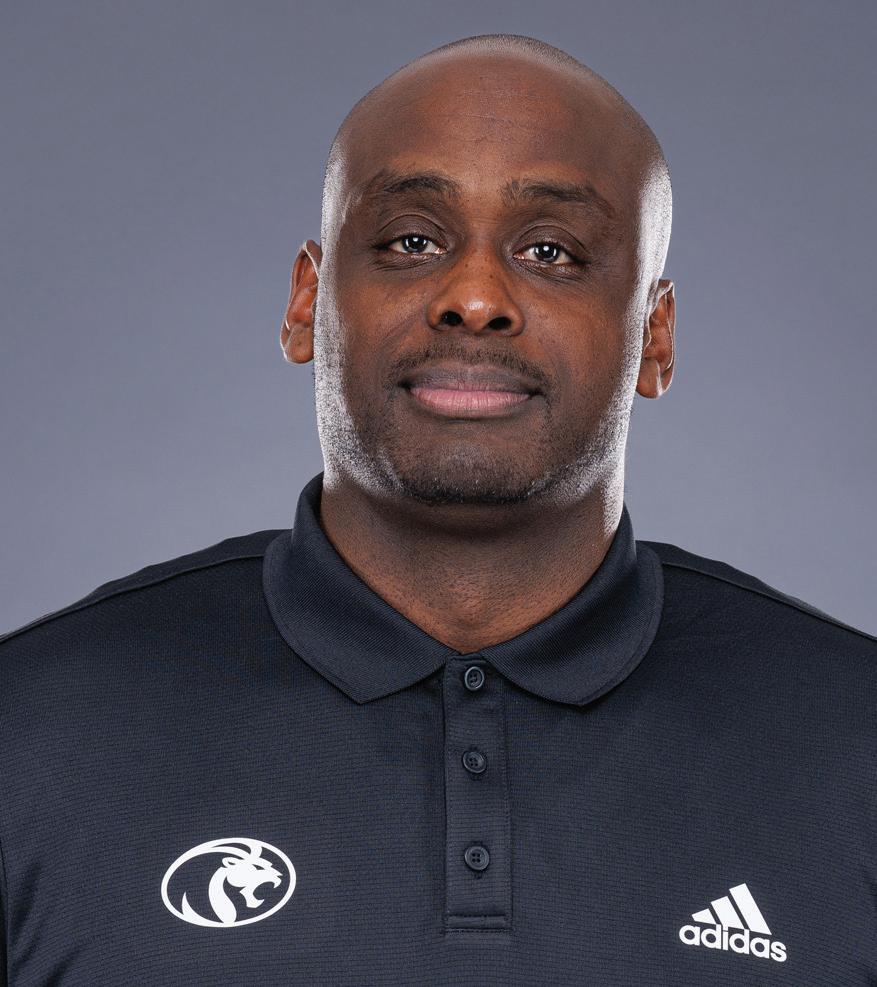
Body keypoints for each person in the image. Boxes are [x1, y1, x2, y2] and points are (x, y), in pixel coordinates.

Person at [0, 33, 874, 987]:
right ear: (306, 302)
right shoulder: (31, 730)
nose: (475, 297)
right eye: (411, 241)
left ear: (654, 336)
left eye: (550, 251)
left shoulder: (851, 741)